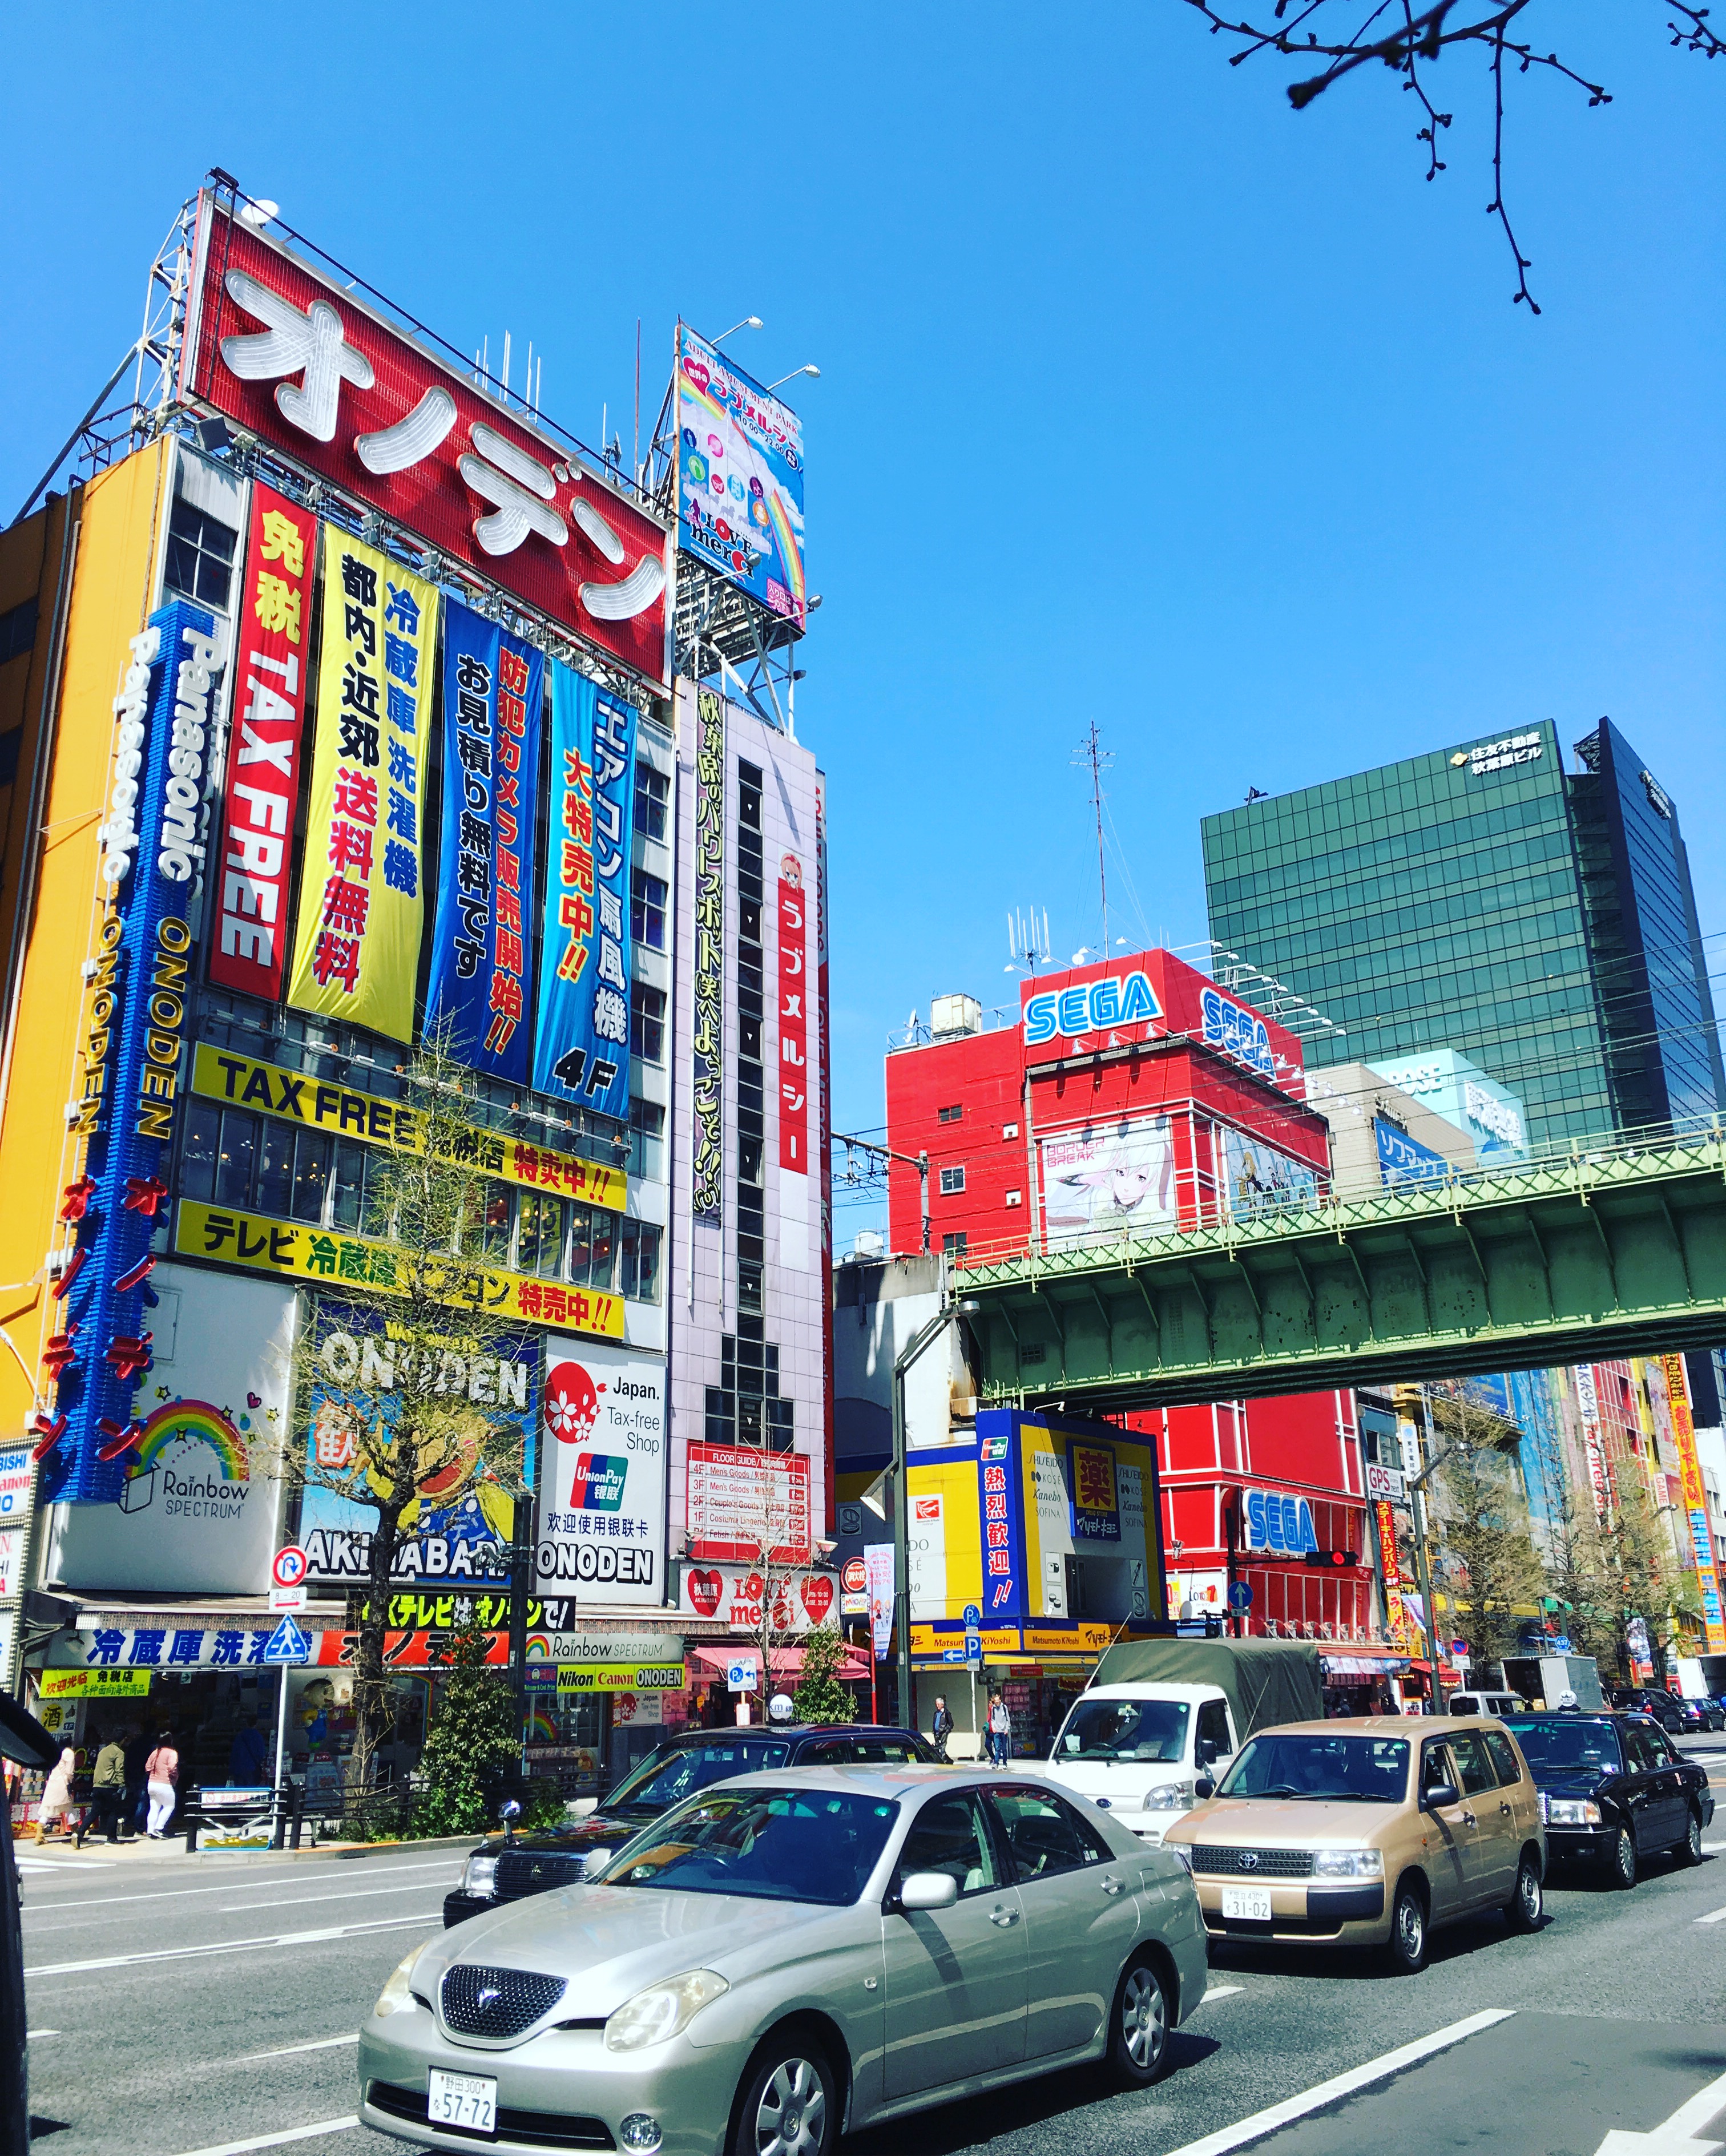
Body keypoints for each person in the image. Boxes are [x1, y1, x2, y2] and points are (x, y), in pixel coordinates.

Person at [79, 1727, 127, 1847]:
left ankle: (79, 1833)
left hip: (97, 1787)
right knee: (113, 1812)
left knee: (95, 1812)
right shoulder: (119, 1752)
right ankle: (111, 1838)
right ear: (123, 1740)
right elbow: (119, 1770)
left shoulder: (104, 1751)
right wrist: (122, 1785)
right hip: (109, 1787)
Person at [35, 1746, 77, 1844]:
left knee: (48, 1810)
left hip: (52, 1783)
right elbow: (70, 1771)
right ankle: (76, 1831)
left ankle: (39, 1835)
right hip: (62, 1784)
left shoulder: (56, 1752)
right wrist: (71, 1781)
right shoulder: (69, 1753)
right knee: (67, 1808)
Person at [144, 1730, 179, 1839]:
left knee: (154, 1808)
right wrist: (175, 1777)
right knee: (169, 1806)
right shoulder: (172, 1753)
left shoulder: (155, 1752)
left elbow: (147, 1768)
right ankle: (159, 1828)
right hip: (164, 1783)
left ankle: (150, 1831)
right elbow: (172, 1768)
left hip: (152, 1784)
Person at [123, 1723, 152, 1838]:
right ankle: (139, 1828)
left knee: (134, 1800)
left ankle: (126, 1819)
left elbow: (128, 1759)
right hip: (142, 1775)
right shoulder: (150, 1744)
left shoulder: (135, 1743)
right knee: (142, 1802)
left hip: (132, 1775)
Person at [229, 1714, 268, 1786]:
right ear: (256, 1723)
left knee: (239, 1793)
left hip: (238, 1769)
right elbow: (261, 1755)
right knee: (251, 1793)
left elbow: (234, 1754)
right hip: (252, 1770)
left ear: (246, 1723)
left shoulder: (240, 1736)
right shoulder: (258, 1737)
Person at [987, 1691, 1012, 1768]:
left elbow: (1008, 1719)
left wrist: (1007, 1729)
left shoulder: (1004, 1707)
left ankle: (1005, 1763)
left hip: (1004, 1731)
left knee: (1004, 1748)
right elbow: (992, 1719)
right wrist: (994, 1728)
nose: (997, 1702)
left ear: (1000, 1700)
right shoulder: (993, 1708)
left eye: (998, 1700)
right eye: (996, 1701)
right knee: (997, 1748)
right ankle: (996, 1763)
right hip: (997, 1731)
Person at [931, 1695, 954, 1763]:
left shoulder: (947, 1713)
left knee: (942, 1749)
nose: (937, 1706)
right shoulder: (936, 1713)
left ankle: (943, 1762)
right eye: (936, 1704)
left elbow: (951, 1724)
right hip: (937, 1733)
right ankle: (949, 1761)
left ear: (942, 1705)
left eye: (938, 1704)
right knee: (937, 1749)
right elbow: (935, 1722)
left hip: (943, 1733)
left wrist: (947, 1731)